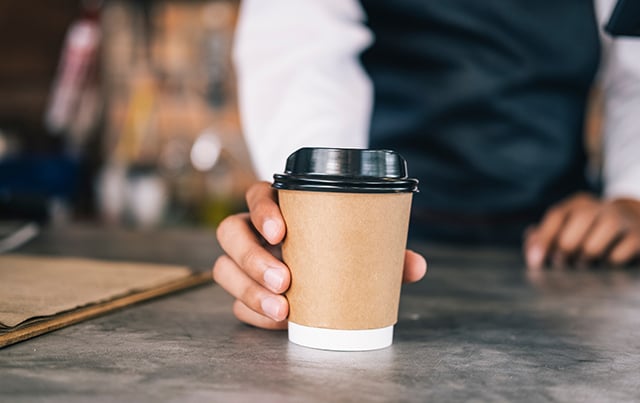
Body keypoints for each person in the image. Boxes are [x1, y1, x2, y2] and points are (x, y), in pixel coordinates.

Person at [214, 0, 640, 329]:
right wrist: (311, 225)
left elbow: (634, 71)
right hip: (385, 249)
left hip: (564, 253)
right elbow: (300, 52)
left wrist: (632, 197)